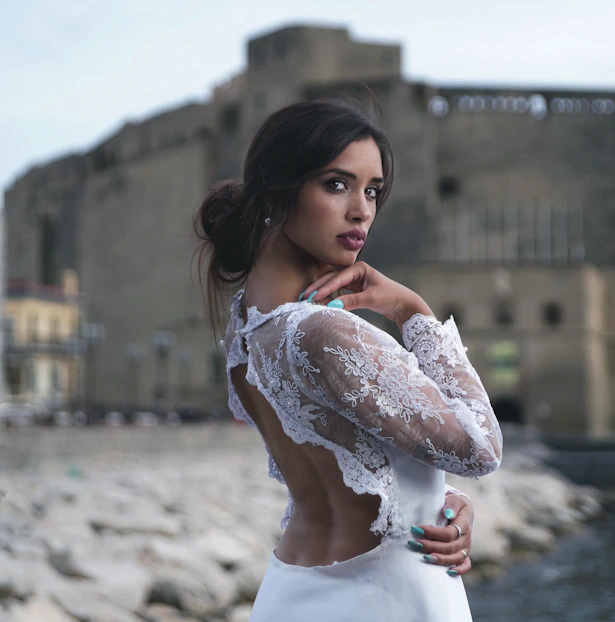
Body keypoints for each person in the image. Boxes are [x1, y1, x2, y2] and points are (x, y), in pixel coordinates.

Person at [193, 99, 503, 621]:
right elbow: (480, 449)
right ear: (277, 190)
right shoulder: (325, 331)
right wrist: (412, 310)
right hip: (383, 596)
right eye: (336, 184)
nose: (361, 209)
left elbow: (336, 458)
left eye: (372, 190)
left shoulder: (246, 327)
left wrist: (435, 499)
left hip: (293, 594)